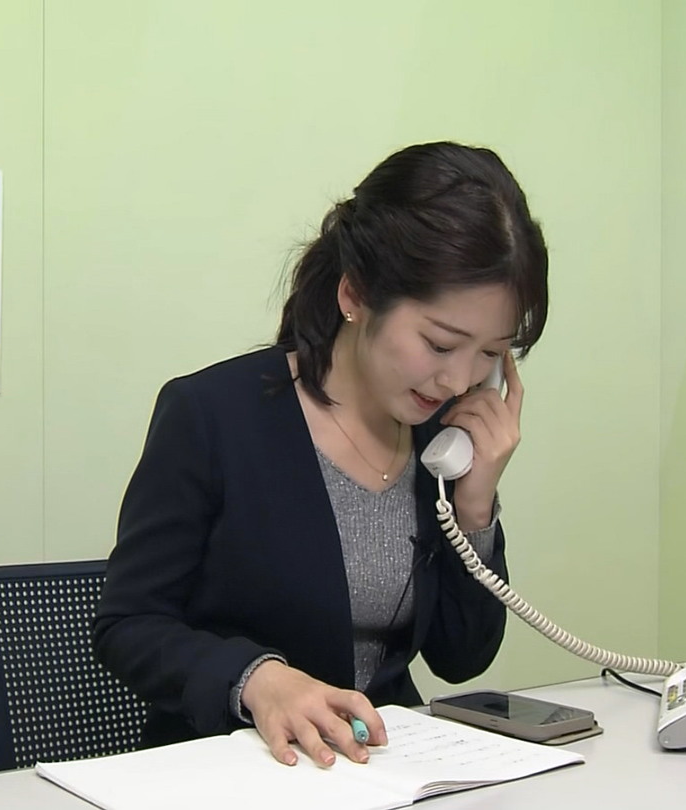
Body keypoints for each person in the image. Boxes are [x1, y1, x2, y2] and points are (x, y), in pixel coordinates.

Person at [93, 141, 550, 770]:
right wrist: (258, 680)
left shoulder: (440, 440)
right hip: (239, 768)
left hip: (380, 772)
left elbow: (461, 658)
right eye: (441, 344)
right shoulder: (213, 415)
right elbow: (128, 625)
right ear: (355, 295)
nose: (458, 380)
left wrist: (474, 510)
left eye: (491, 354)